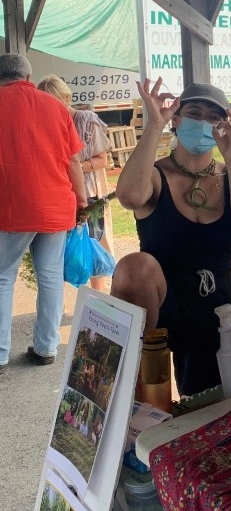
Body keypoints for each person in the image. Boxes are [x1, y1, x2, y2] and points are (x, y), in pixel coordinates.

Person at [111, 79, 231, 396]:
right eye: (194, 112)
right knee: (133, 267)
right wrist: (154, 126)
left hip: (214, 303)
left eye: (213, 117)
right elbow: (128, 196)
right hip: (161, 300)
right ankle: (132, 393)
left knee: (212, 402)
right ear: (177, 118)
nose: (203, 122)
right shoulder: (155, 174)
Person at [0, 54, 86, 373]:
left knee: (2, 277)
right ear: (28, 75)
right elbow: (74, 162)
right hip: (55, 206)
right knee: (50, 277)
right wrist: (82, 201)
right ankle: (46, 348)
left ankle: (0, 353)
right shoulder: (55, 107)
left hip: (11, 208)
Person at [37, 74, 114, 292]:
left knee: (94, 241)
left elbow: (103, 160)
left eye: (53, 102)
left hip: (88, 192)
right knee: (62, 247)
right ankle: (59, 299)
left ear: (65, 99)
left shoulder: (87, 120)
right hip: (60, 194)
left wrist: (78, 167)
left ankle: (97, 295)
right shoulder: (46, 124)